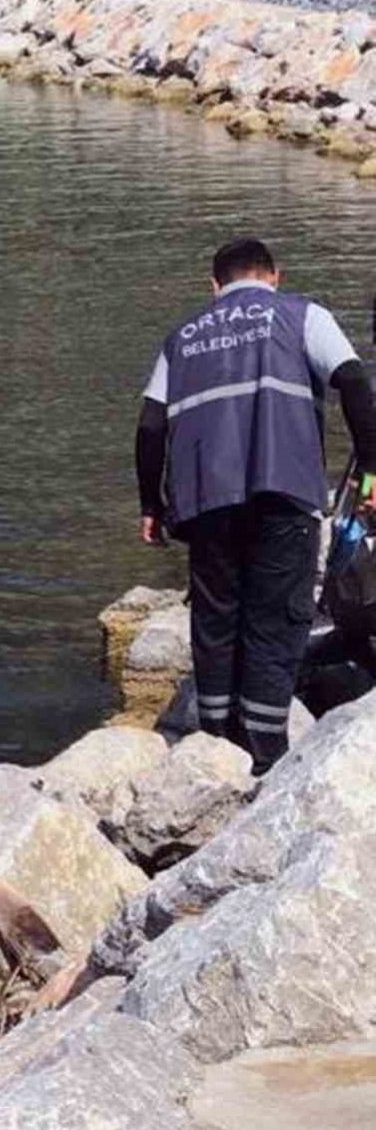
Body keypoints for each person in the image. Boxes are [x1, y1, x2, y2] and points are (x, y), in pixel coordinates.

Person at [135, 236, 376, 776]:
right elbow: (355, 384)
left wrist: (151, 502)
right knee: (277, 615)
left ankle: (214, 745)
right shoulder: (304, 316)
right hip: (283, 492)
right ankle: (265, 757)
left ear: (214, 286)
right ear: (275, 277)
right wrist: (372, 470)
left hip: (204, 502)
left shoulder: (182, 339)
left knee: (217, 618)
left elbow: (151, 426)